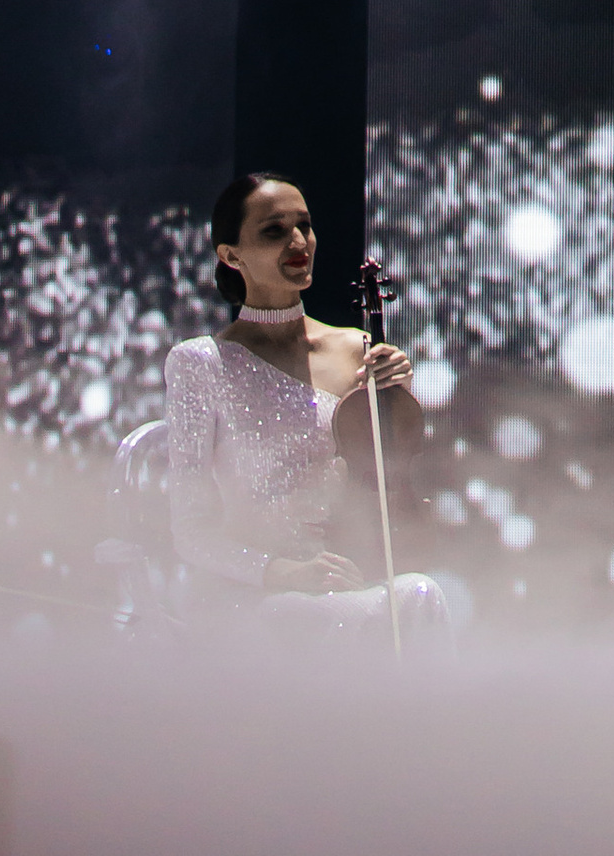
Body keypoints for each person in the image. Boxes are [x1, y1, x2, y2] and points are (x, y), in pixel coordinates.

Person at [163, 173, 451, 643]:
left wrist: (396, 398)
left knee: (420, 594)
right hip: (255, 591)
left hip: (344, 579)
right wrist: (281, 573)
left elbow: (383, 485)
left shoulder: (357, 348)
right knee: (300, 618)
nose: (299, 242)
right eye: (274, 231)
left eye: (305, 225)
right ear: (230, 255)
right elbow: (190, 531)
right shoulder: (199, 362)